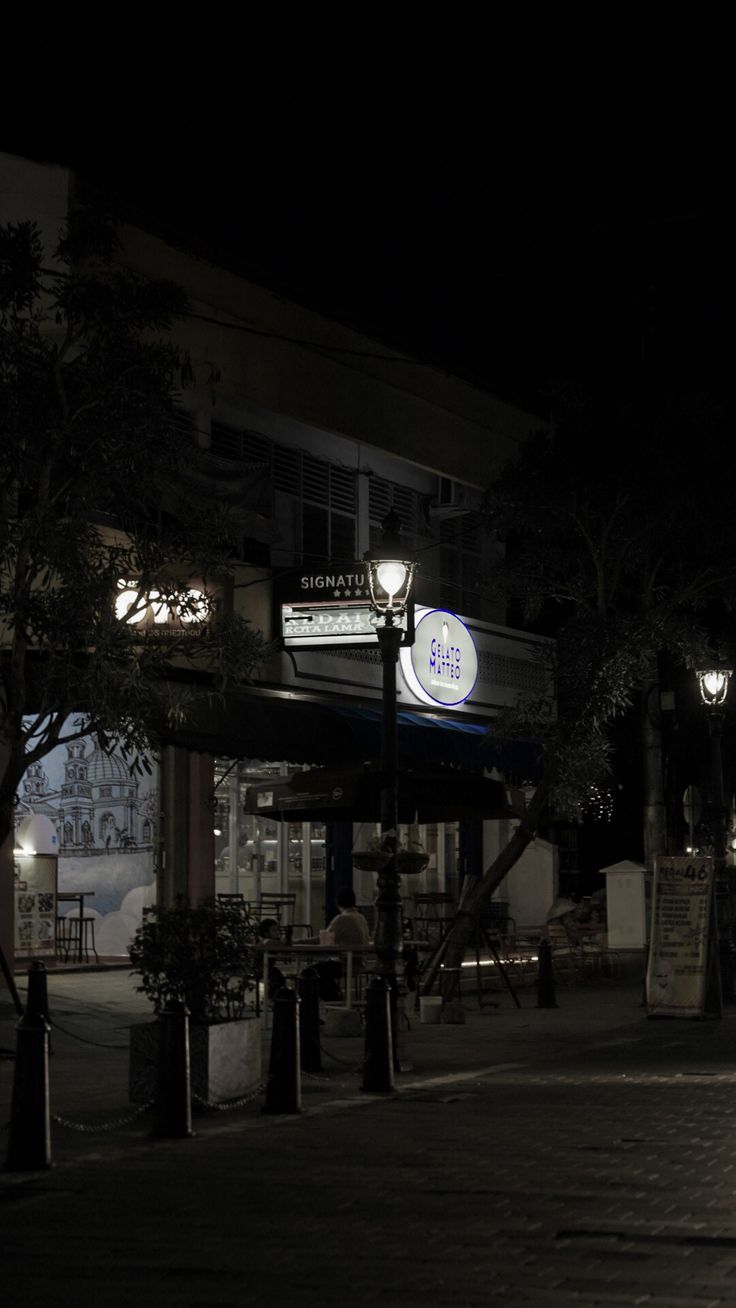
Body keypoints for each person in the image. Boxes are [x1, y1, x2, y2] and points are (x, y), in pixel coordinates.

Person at [312, 888, 371, 1002]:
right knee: (324, 973)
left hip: (347, 963)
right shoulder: (361, 917)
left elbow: (324, 938)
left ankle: (332, 1001)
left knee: (312, 972)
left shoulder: (343, 918)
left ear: (337, 902)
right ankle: (334, 997)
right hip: (360, 963)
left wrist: (299, 941)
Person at [257, 917, 287, 999]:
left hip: (268, 968)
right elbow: (269, 943)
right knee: (276, 976)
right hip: (260, 968)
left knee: (278, 975)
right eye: (274, 930)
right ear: (266, 933)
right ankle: (273, 997)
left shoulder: (274, 942)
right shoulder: (266, 941)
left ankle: (277, 996)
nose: (277, 932)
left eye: (278, 929)